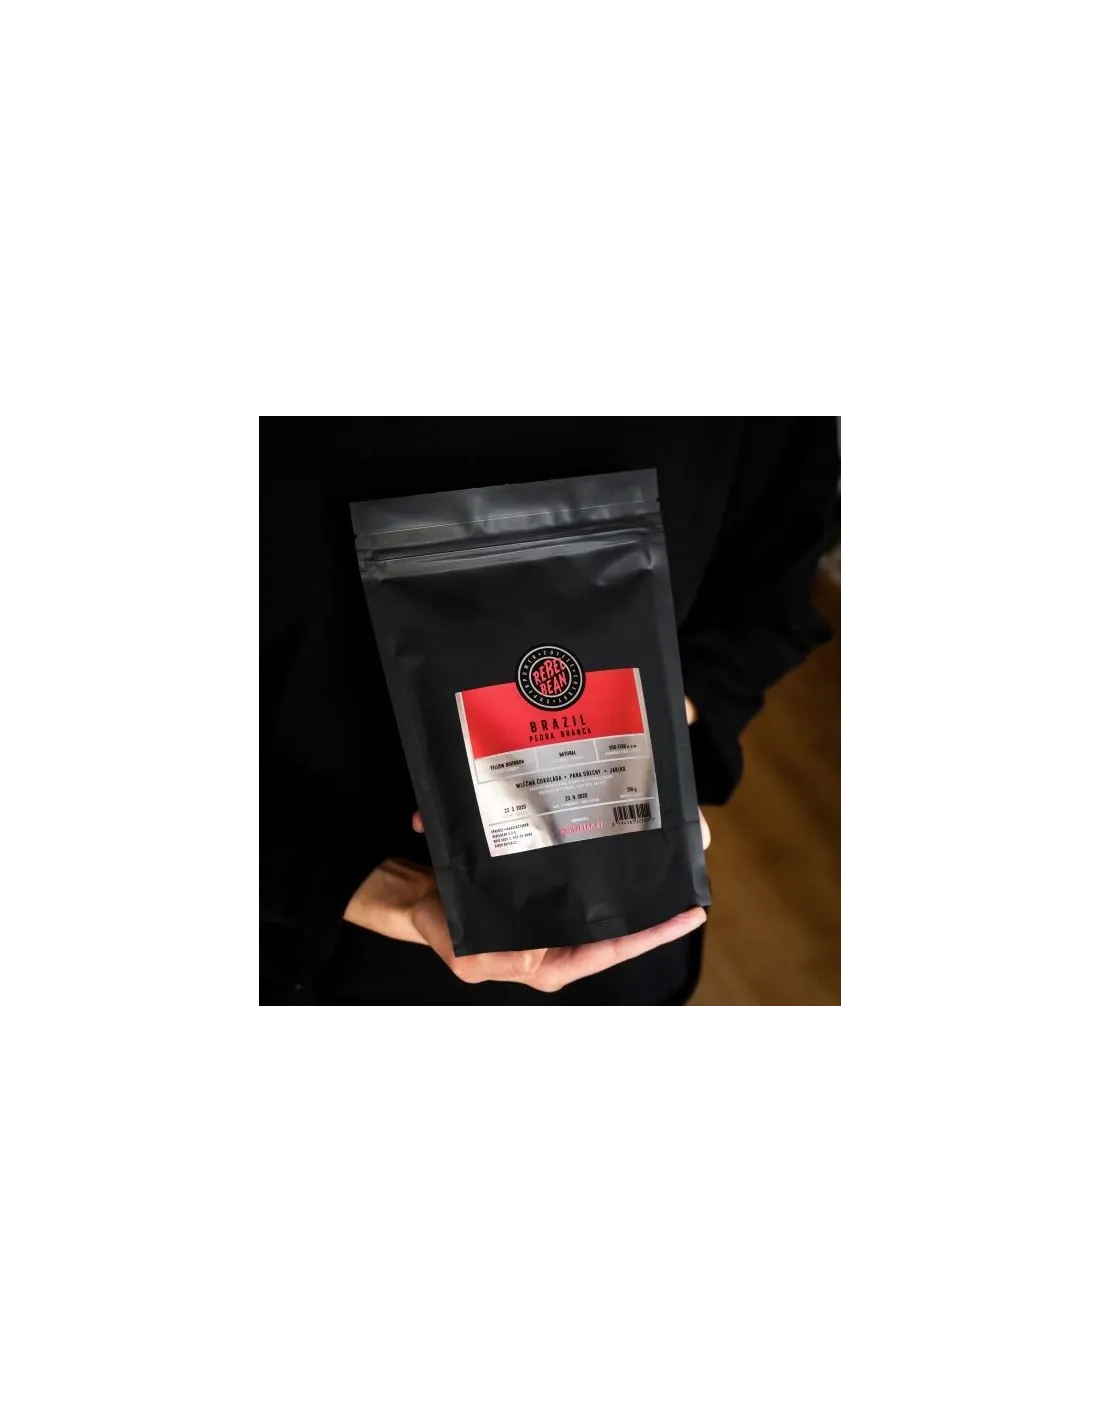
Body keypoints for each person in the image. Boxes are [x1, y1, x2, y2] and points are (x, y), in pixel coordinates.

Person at [258, 417, 838, 1007]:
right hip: (322, 934)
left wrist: (652, 732)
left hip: (619, 903)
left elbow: (769, 592)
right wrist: (361, 887)